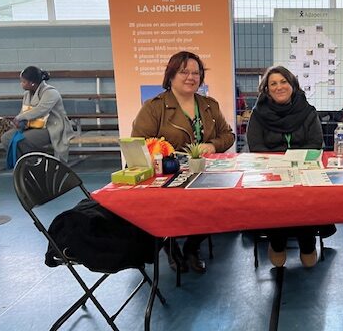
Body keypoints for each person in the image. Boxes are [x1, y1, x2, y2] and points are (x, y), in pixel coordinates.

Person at [131, 51, 235, 273]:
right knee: (171, 207)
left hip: (205, 174)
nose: (191, 77)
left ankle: (191, 247)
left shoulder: (210, 105)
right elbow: (137, 144)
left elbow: (228, 135)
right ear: (171, 75)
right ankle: (170, 245)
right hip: (168, 177)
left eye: (196, 73)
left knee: (221, 202)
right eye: (184, 72)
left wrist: (213, 146)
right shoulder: (154, 107)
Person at [246, 65, 325, 268]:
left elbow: (316, 143)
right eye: (273, 83)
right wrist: (280, 165)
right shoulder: (258, 114)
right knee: (275, 201)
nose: (279, 87)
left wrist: (295, 164)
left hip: (304, 171)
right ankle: (277, 243)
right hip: (272, 174)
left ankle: (308, 244)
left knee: (307, 199)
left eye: (283, 82)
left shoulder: (308, 111)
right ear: (266, 89)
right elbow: (256, 147)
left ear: (292, 85)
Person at [1, 66, 74, 165]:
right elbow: (24, 111)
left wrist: (20, 117)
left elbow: (40, 111)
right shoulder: (27, 94)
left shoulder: (51, 93)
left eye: (23, 82)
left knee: (22, 139)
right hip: (31, 126)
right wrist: (18, 122)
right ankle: (22, 164)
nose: (21, 84)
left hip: (51, 127)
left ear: (32, 83)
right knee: (6, 138)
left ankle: (35, 163)